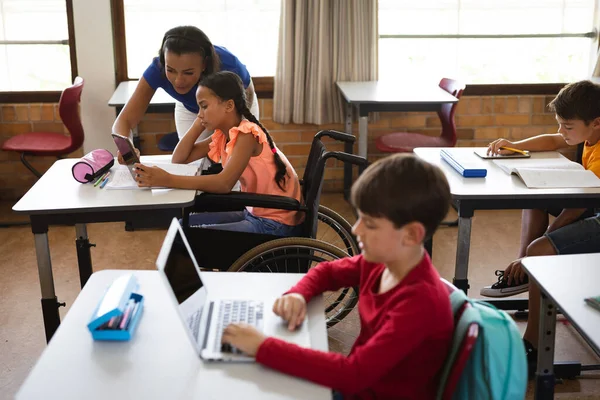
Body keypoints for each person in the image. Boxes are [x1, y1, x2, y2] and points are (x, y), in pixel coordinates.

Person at [221, 154, 454, 400]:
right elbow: (327, 272)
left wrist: (262, 347)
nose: (356, 229)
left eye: (370, 224)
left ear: (411, 235)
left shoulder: (418, 303)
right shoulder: (382, 264)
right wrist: (299, 294)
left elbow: (353, 373)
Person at [479, 80, 600, 374]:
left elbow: (577, 208)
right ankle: (522, 273)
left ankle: (533, 346)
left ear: (596, 123)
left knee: (540, 249)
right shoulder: (588, 134)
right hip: (591, 205)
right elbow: (553, 140)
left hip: (592, 210)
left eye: (567, 126)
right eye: (560, 124)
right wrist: (514, 147)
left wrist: (539, 246)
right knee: (535, 200)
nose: (562, 131)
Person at [134, 71, 303, 236]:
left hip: (274, 223)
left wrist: (167, 180)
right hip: (256, 211)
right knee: (181, 226)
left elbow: (224, 184)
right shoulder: (224, 134)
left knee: (184, 234)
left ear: (229, 106)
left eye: (204, 106)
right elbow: (179, 158)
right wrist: (199, 122)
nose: (199, 113)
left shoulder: (246, 135)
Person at [112, 25, 259, 154]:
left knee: (232, 153)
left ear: (204, 65)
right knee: (191, 158)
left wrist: (219, 137)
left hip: (236, 107)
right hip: (190, 106)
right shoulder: (157, 68)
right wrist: (126, 149)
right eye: (171, 70)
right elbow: (124, 120)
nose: (178, 81)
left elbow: (244, 101)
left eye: (188, 72)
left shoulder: (229, 66)